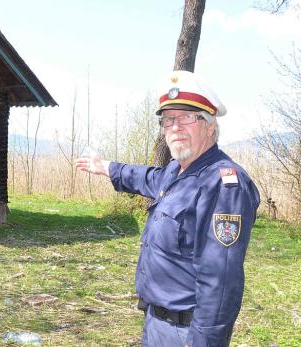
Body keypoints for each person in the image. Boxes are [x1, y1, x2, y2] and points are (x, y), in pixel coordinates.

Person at [75, 70, 260, 347]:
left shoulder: (221, 184)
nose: (175, 128)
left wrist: (204, 342)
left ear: (210, 126)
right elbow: (146, 177)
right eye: (168, 120)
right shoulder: (176, 172)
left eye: (186, 118)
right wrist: (107, 167)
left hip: (187, 333)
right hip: (156, 323)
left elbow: (220, 280)